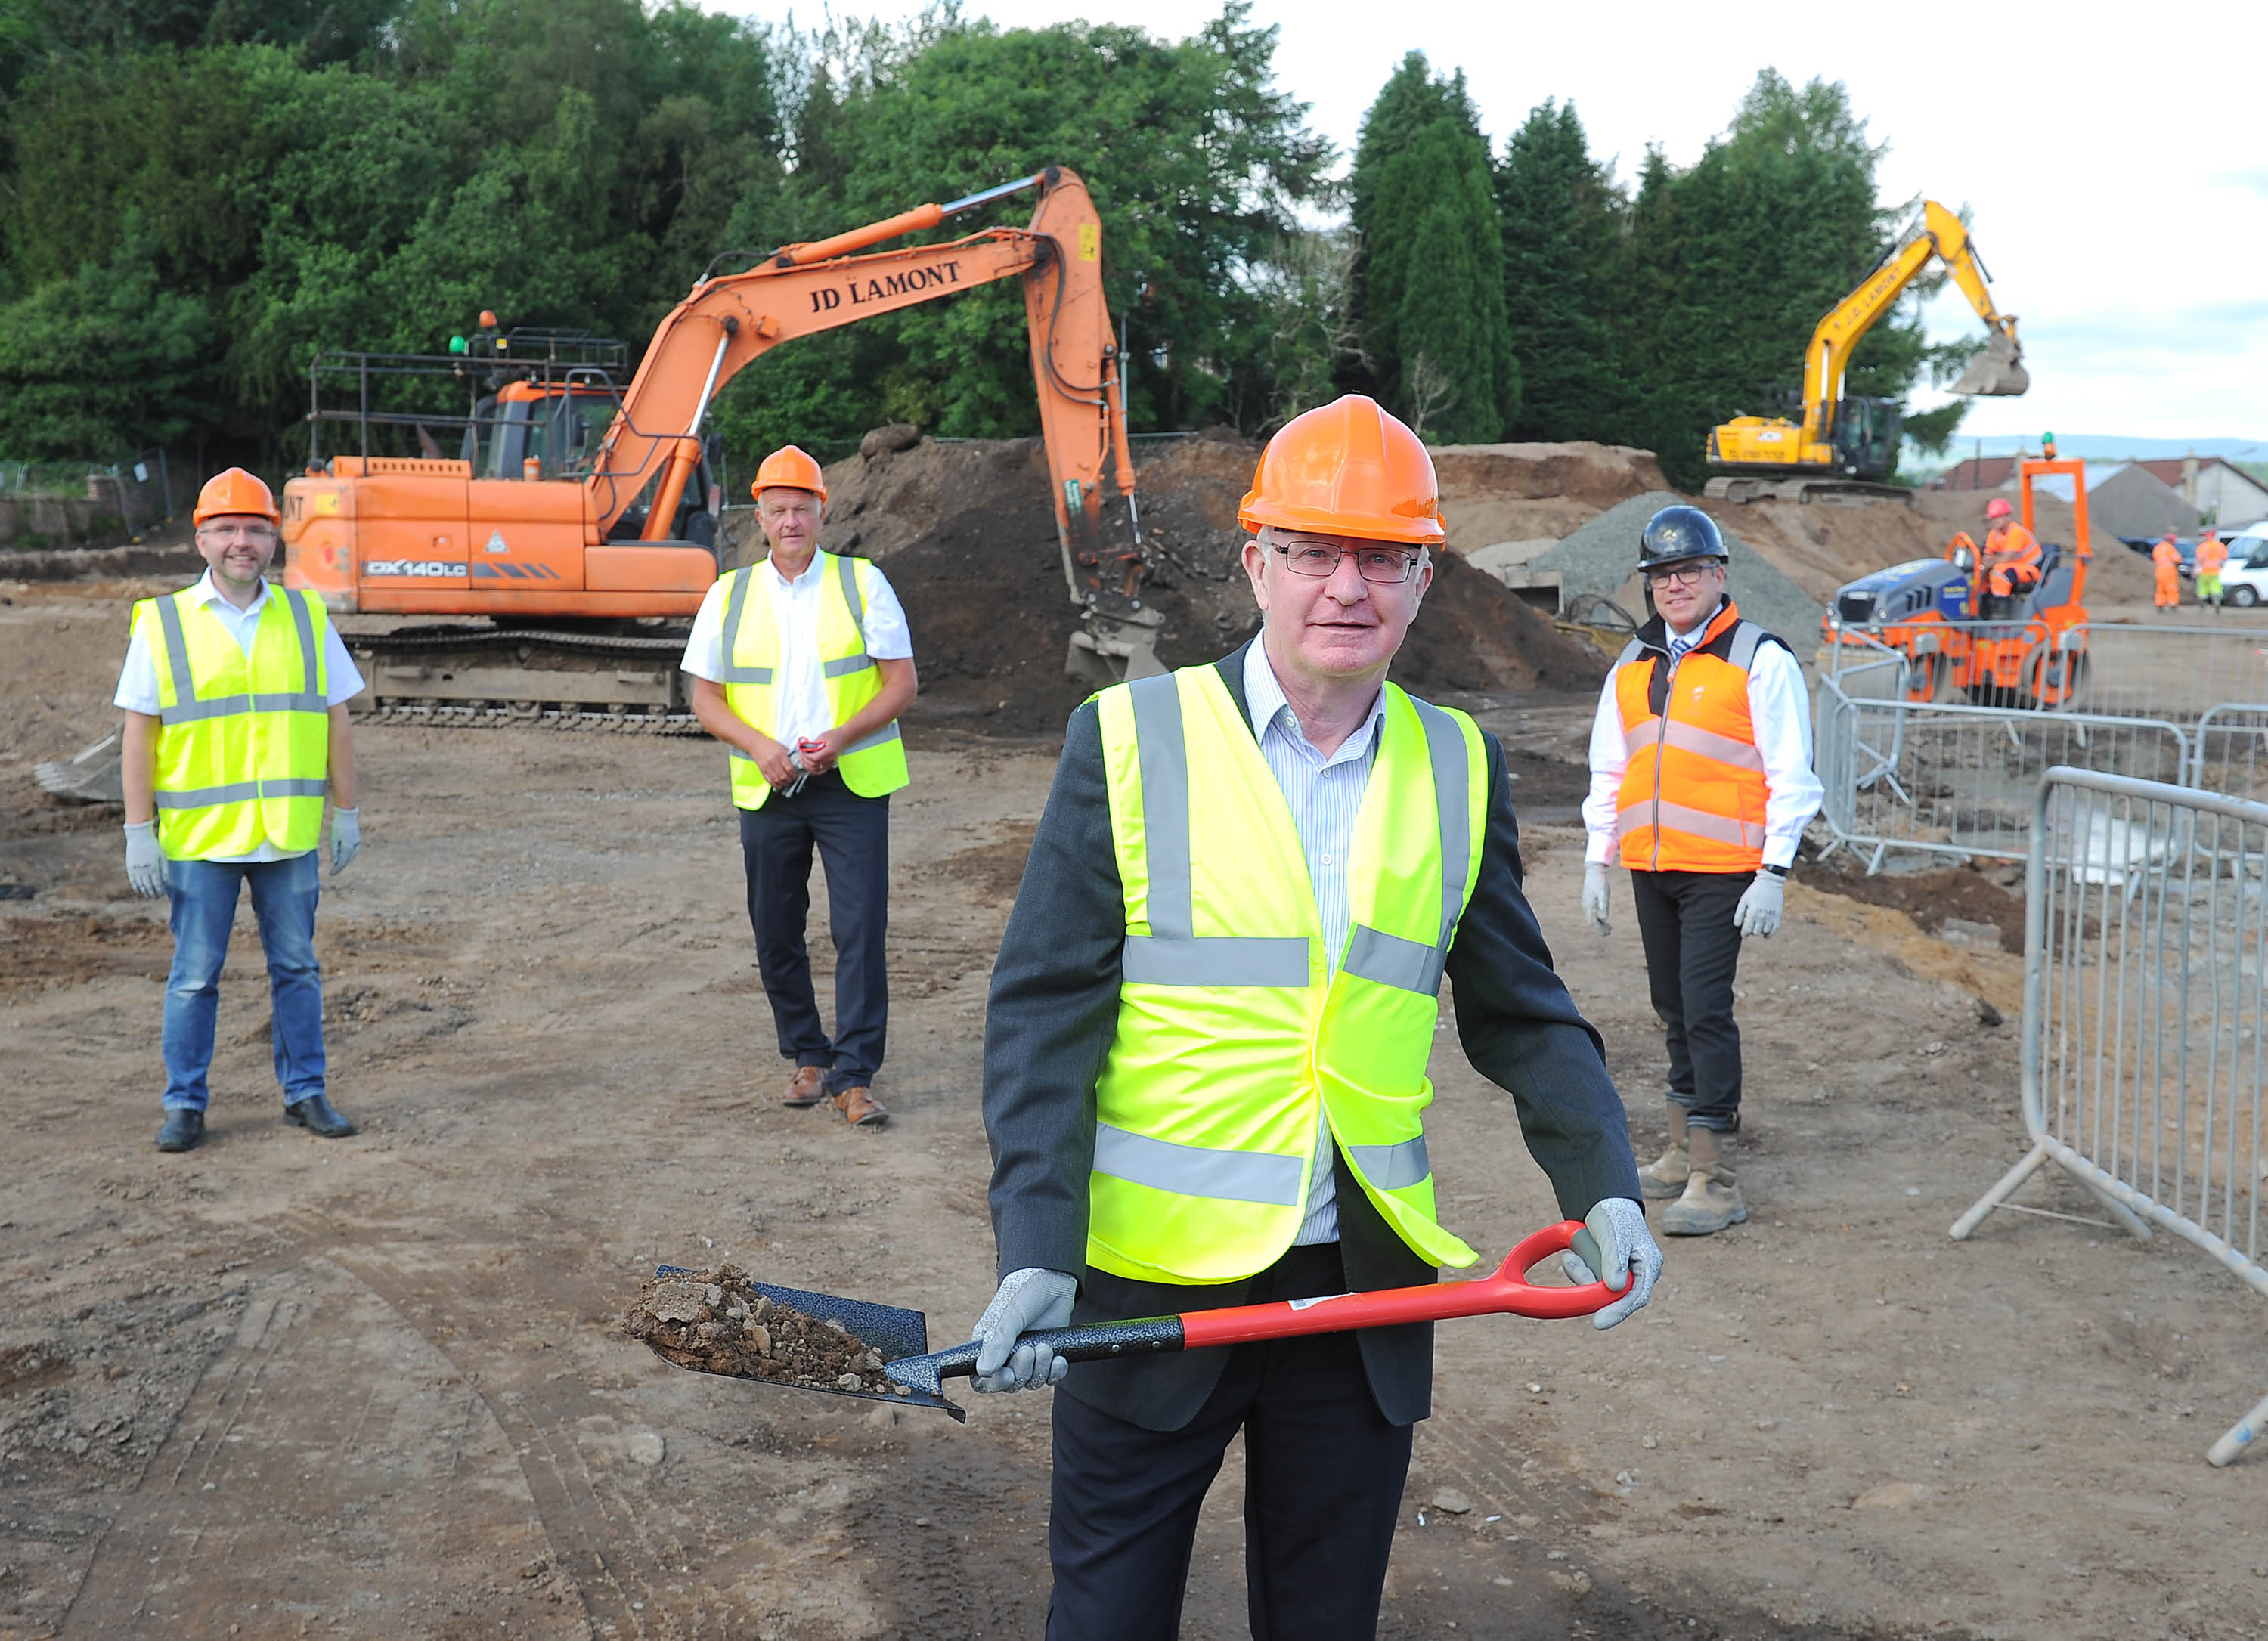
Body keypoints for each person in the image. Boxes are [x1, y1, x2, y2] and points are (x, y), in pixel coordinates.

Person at [974, 395, 1661, 1640]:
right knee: (1108, 1619)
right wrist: (1035, 1244)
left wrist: (1601, 1179)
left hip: (1364, 1296)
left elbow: (1527, 1012)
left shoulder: (1459, 765)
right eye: (1311, 551)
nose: (1345, 586)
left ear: (1420, 579)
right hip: (1150, 1288)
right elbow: (1043, 1015)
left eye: (1381, 557)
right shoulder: (1126, 740)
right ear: (1257, 565)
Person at [1579, 506, 1824, 1237]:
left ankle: (1717, 1177)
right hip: (1653, 865)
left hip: (1724, 868)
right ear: (1649, 584)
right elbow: (1609, 764)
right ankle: (1684, 1145)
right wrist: (1598, 859)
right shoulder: (1632, 663)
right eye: (1662, 574)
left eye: (1689, 570)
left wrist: (1774, 870)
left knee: (1705, 1009)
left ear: (1718, 574)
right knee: (1672, 1007)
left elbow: (1792, 771)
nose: (1675, 584)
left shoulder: (1759, 657)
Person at [118, 468, 367, 1153]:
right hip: (202, 839)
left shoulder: (306, 616)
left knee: (298, 968)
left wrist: (346, 811)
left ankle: (306, 1092)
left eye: (255, 529)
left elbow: (336, 716)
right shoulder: (163, 622)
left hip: (286, 835)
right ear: (201, 539)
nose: (242, 542)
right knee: (195, 976)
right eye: (227, 529)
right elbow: (140, 730)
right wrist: (139, 830)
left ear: (274, 539)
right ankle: (184, 1104)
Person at [681, 445, 917, 1129]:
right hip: (770, 784)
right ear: (759, 516)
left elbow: (901, 682)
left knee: (860, 927)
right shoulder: (730, 593)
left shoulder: (863, 584)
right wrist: (761, 747)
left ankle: (855, 1074)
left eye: (802, 508)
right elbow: (707, 697)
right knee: (776, 930)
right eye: (778, 510)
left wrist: (837, 740)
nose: (791, 520)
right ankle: (807, 1055)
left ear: (823, 510)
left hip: (849, 781)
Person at [1978, 495, 2043, 612]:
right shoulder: (1994, 534)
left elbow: (2006, 559)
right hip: (2015, 567)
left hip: (2031, 569)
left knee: (2000, 571)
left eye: (1998, 517)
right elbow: (1987, 557)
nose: (1995, 521)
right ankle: (1982, 607)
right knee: (1980, 572)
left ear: (2008, 517)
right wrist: (1985, 565)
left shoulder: (2016, 532)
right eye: (1993, 518)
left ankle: (2001, 610)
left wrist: (1991, 561)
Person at [2195, 529, 2228, 613]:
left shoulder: (2202, 547)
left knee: (2202, 588)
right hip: (2215, 571)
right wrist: (2220, 565)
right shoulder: (2220, 546)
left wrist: (2196, 569)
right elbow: (2225, 558)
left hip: (2204, 572)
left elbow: (2200, 559)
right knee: (2216, 587)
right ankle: (2216, 601)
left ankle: (2202, 604)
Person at [2152, 531, 2184, 612]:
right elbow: (2177, 559)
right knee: (2172, 589)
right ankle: (2173, 604)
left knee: (2160, 589)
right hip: (2169, 572)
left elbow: (2154, 558)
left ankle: (2160, 604)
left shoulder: (2158, 548)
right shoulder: (2170, 548)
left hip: (2159, 572)